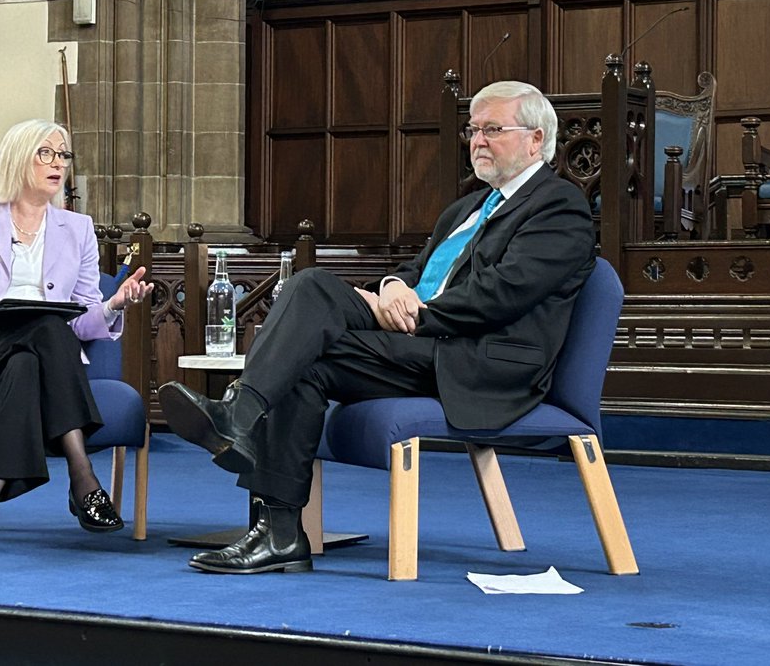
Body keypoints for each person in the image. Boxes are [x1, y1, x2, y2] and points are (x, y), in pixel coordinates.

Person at [159, 81, 595, 575]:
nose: (477, 140)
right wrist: (389, 288)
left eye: (492, 129)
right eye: (473, 130)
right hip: (426, 339)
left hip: (479, 360)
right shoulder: (467, 207)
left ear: (536, 140)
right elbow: (416, 273)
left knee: (311, 299)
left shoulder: (559, 208)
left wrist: (415, 316)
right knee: (308, 316)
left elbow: (501, 295)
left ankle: (240, 418)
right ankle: (278, 529)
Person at [0, 119, 153, 556]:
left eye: (63, 155)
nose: (58, 164)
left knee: (27, 361)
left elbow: (82, 319)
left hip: (39, 356)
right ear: (17, 159)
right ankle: (82, 476)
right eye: (45, 153)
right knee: (48, 325)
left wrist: (114, 305)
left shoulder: (77, 228)